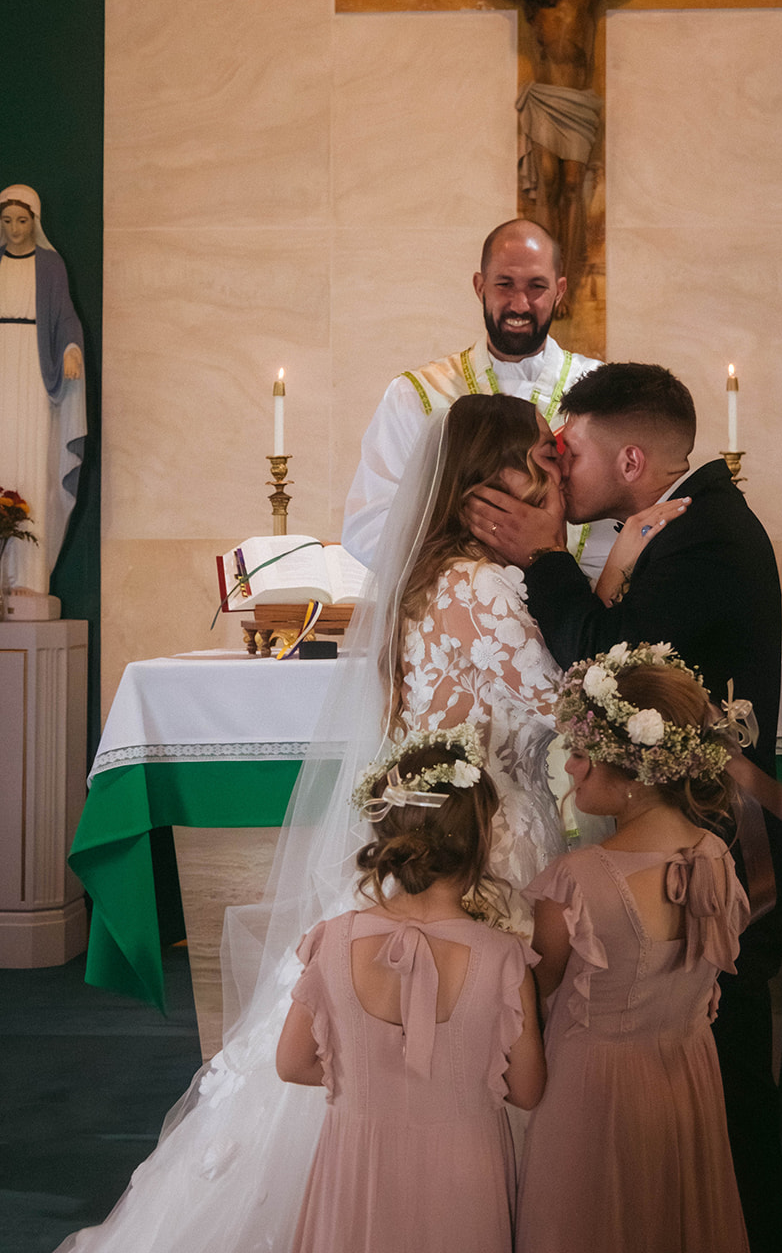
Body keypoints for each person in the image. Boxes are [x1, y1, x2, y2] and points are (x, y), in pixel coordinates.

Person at [55, 394, 670, 1253]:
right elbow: (575, 707)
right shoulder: (483, 586)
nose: (559, 466)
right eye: (543, 453)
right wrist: (611, 574)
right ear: (496, 480)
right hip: (485, 852)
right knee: (464, 1058)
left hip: (452, 831)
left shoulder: (436, 577)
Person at [466, 362, 782, 1253]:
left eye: (567, 451)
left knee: (725, 1087)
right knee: (692, 1080)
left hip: (720, 846)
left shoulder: (706, 536)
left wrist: (541, 556)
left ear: (631, 459)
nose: (554, 467)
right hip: (692, 838)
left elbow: (606, 664)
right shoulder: (686, 524)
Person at [517, 646, 751, 1253]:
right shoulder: (718, 858)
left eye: (581, 753)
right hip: (686, 1082)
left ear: (631, 771)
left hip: (593, 1097)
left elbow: (535, 997)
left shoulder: (576, 880)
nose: (570, 768)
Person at [277, 728, 544, 1253]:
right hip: (464, 1173)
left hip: (358, 1167)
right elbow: (527, 1091)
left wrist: (365, 1080)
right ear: (480, 841)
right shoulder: (503, 958)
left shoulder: (332, 942)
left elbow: (292, 1065)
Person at [392, 0, 730, 297]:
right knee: (548, 187)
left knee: (573, 188)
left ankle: (564, 276)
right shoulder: (529, 4)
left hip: (578, 107)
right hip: (544, 103)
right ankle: (545, 277)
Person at [341, 216, 615, 581]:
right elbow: (368, 526)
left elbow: (625, 512)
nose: (520, 303)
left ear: (560, 290)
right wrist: (478, 573)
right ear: (479, 286)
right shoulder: (417, 394)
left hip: (579, 610)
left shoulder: (602, 390)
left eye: (536, 287)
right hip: (462, 613)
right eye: (505, 285)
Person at [0, 184, 86, 602]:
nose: (14, 230)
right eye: (7, 222)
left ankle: (28, 579)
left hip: (35, 370)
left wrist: (71, 348)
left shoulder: (50, 266)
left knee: (31, 460)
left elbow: (66, 315)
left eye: (21, 221)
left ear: (34, 222)